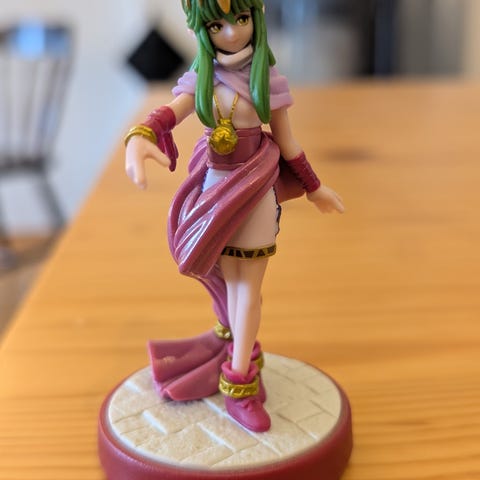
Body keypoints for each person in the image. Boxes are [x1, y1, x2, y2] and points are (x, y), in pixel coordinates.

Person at [124, 0, 344, 433]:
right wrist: (140, 137)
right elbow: (166, 116)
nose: (231, 32)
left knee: (249, 291)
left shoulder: (267, 80)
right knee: (225, 284)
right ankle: (233, 349)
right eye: (216, 24)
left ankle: (239, 381)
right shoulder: (202, 79)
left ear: (255, 18)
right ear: (202, 29)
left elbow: (288, 143)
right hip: (213, 196)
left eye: (240, 19)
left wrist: (314, 187)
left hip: (255, 194)